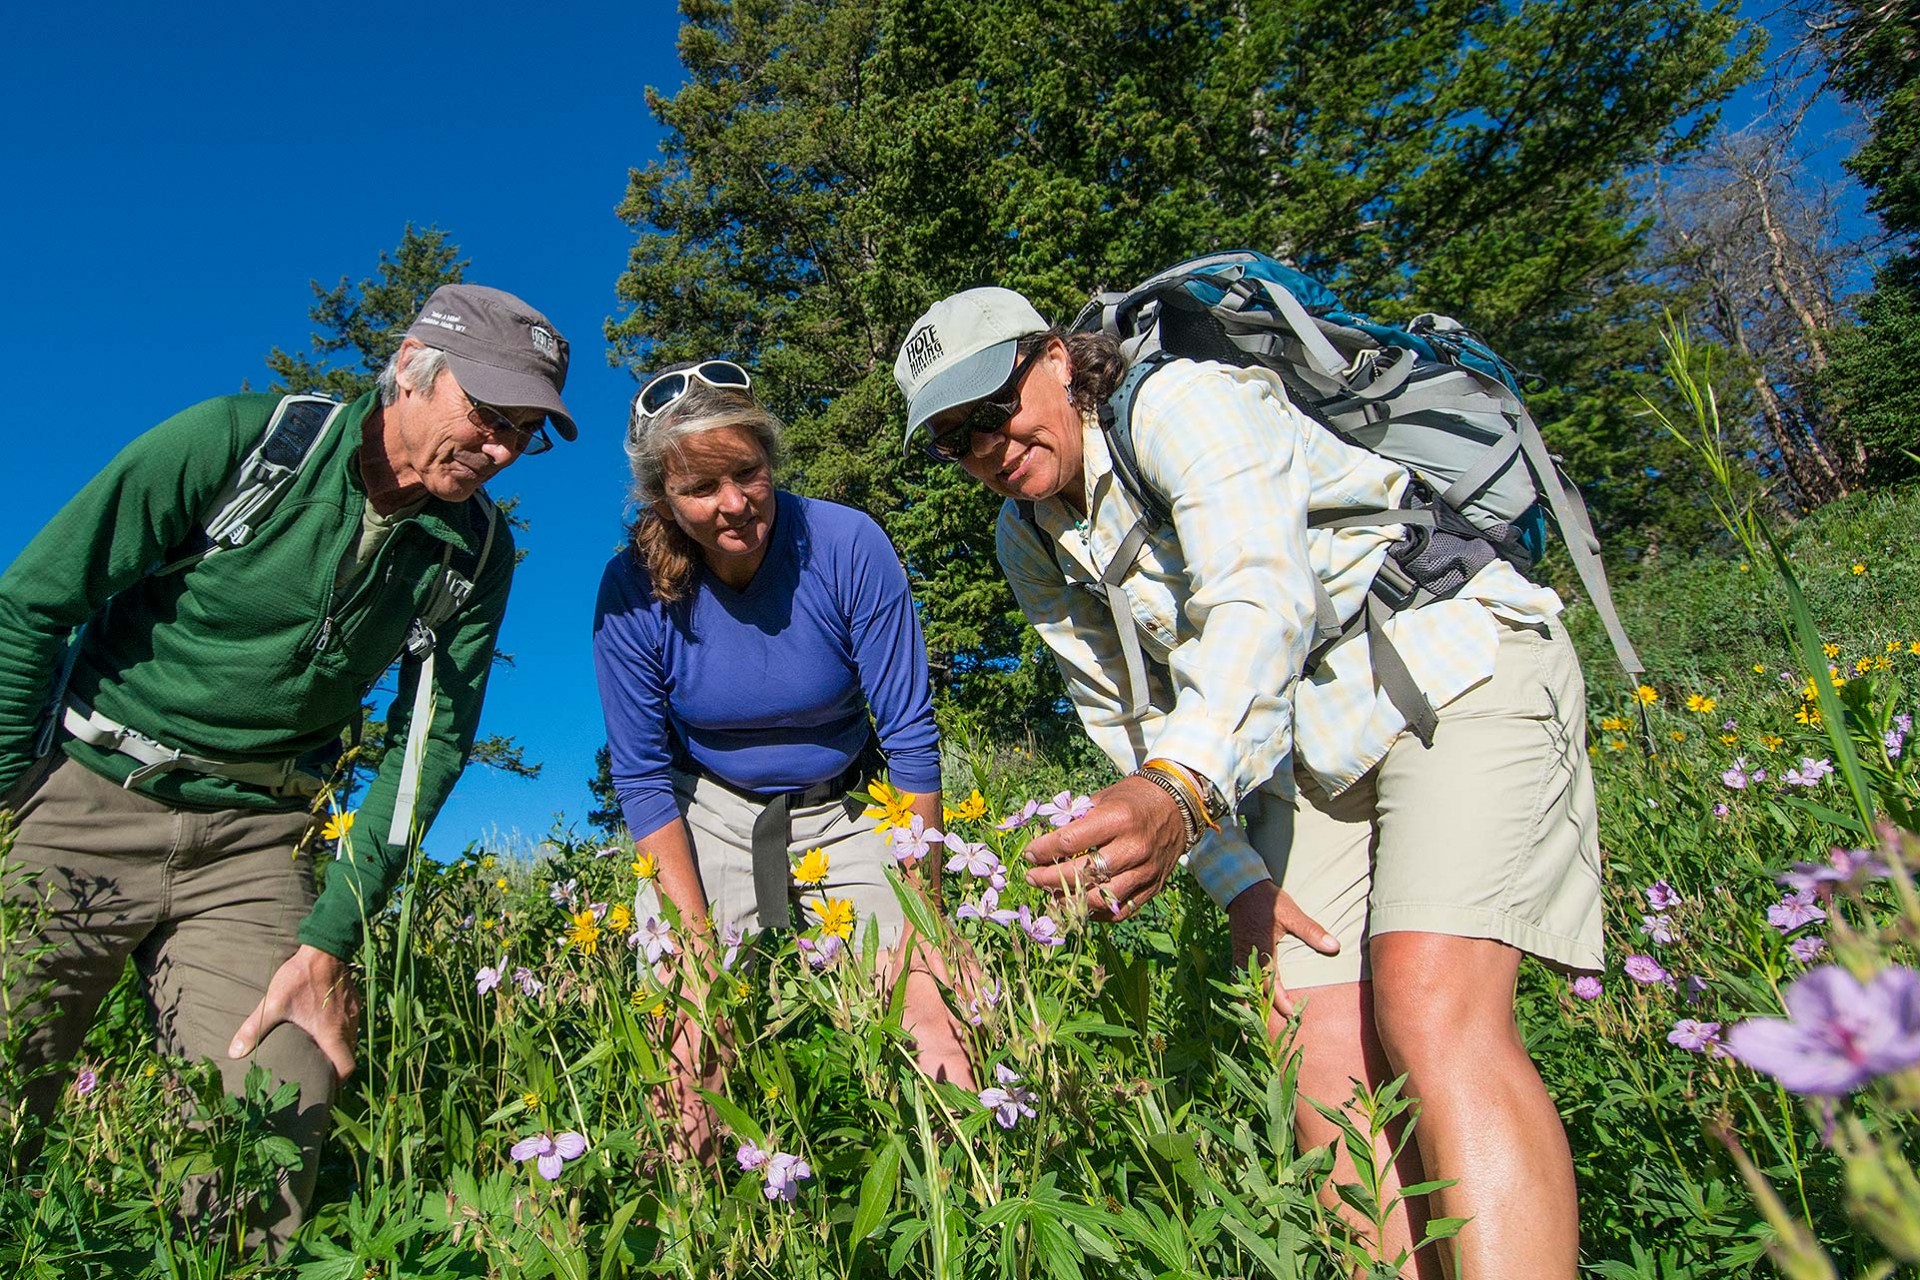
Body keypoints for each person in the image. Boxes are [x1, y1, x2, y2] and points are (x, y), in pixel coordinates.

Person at [894, 287, 1602, 1280]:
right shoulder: (1028, 538)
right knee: (1310, 1043)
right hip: (1308, 740)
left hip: (1448, 657)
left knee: (1428, 1002)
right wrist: (1235, 875)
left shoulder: (1181, 403)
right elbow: (1120, 713)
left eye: (994, 403)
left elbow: (1259, 597)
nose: (989, 444)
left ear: (1055, 357)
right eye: (956, 439)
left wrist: (1180, 791)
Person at [0, 284, 573, 1248]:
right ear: (409, 368)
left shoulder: (474, 555)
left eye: (528, 432)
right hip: (85, 796)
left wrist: (331, 936)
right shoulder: (235, 445)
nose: (505, 451)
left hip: (258, 841)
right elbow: (32, 604)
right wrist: (11, 796)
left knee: (276, 1098)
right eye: (488, 414)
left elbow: (428, 742)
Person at [592, 361, 974, 1158]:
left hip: (852, 803)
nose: (734, 504)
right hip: (710, 815)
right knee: (688, 1056)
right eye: (701, 488)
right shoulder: (632, 590)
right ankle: (707, 1223)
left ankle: (970, 1196)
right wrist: (697, 960)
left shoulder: (844, 543)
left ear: (772, 460)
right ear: (663, 499)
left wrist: (924, 912)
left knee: (936, 1018)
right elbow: (641, 775)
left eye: (748, 473)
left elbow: (908, 731)